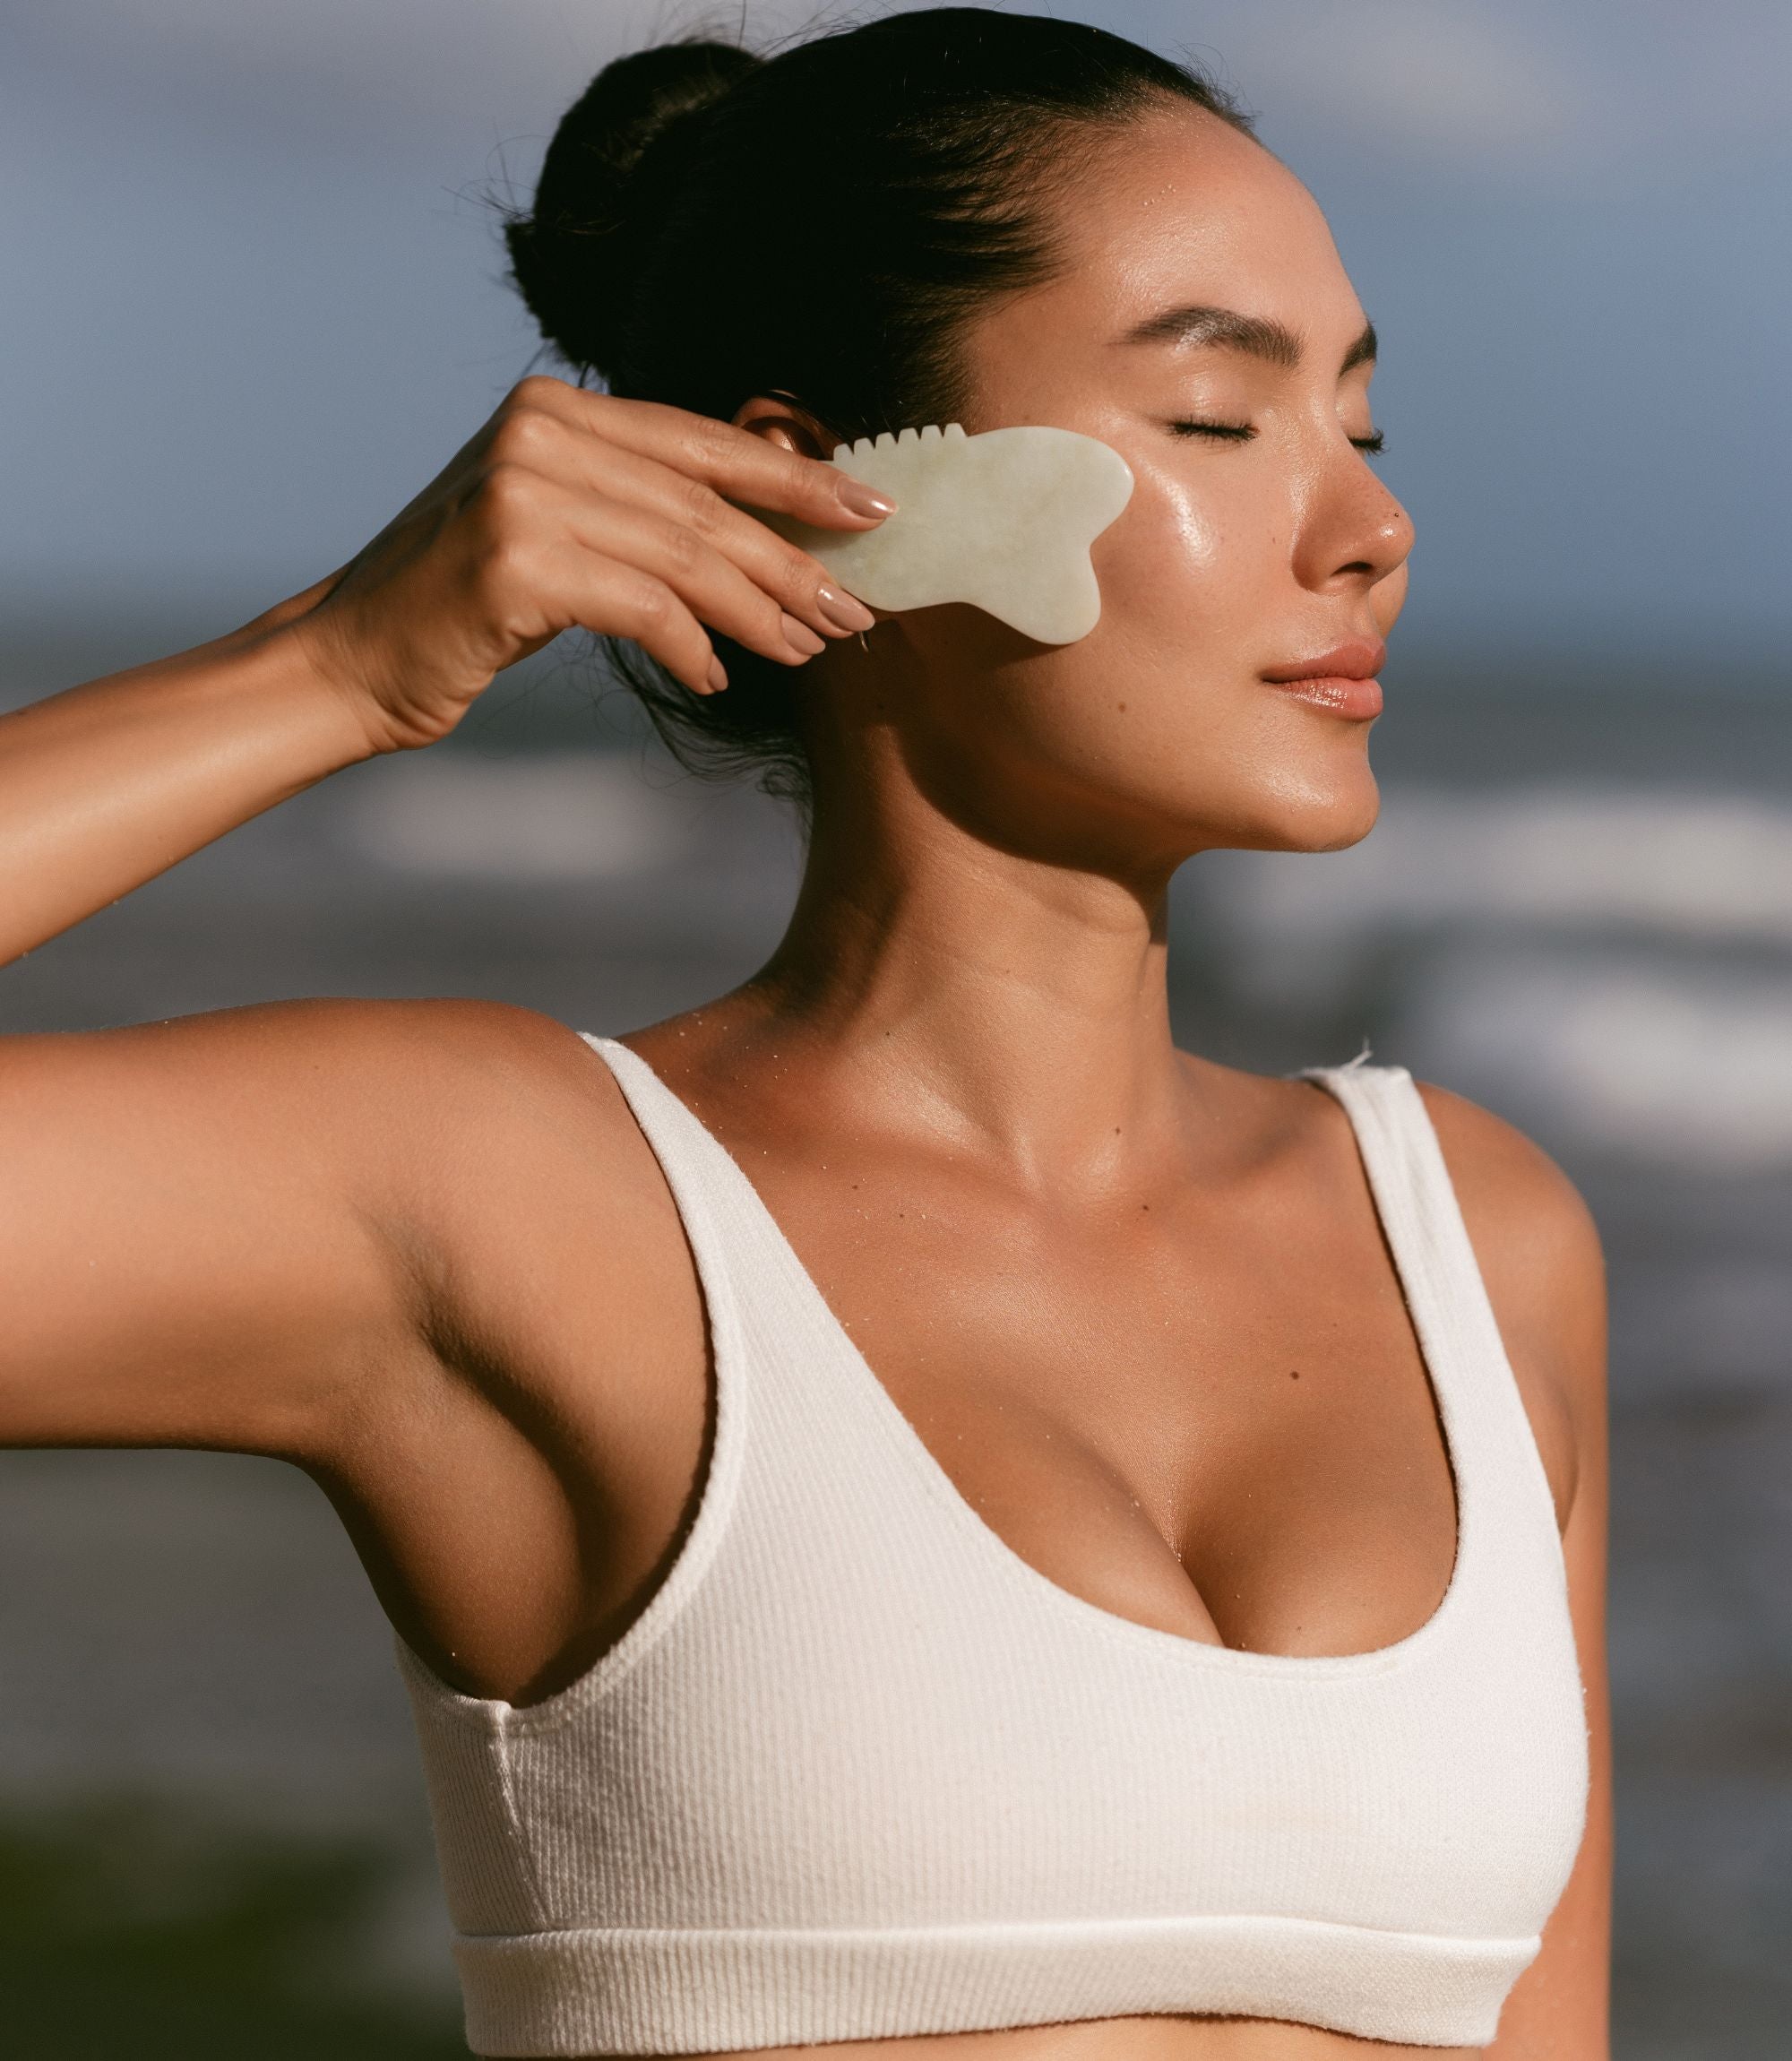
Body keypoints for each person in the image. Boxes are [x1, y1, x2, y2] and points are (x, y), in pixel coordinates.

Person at [0, 10, 1609, 2057]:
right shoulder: (523, 1200)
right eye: (1219, 419)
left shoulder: (1478, 1238)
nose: (1365, 527)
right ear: (836, 486)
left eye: (1362, 426)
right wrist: (339, 667)